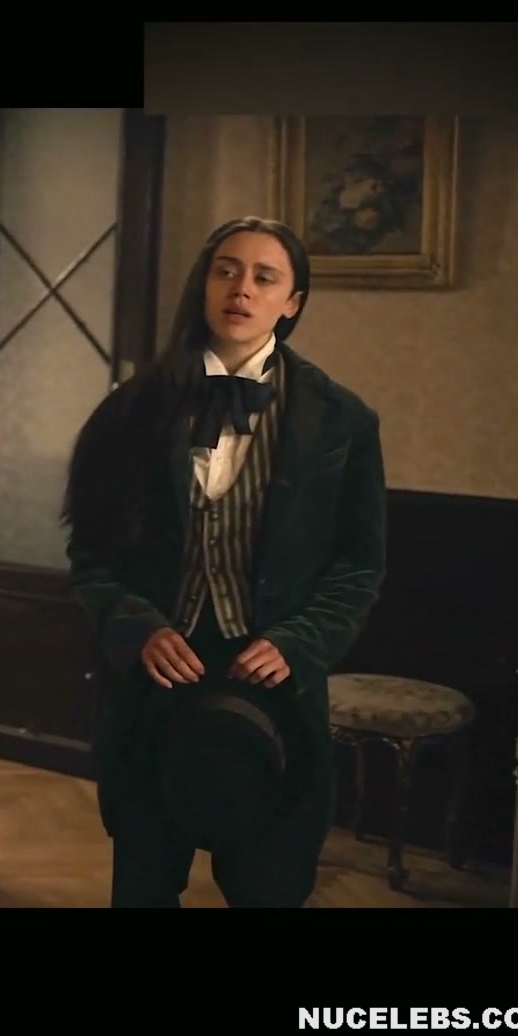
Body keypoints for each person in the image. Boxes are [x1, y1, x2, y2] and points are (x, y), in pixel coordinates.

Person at [61, 216, 387, 908]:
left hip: (274, 682)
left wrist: (299, 641)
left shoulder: (341, 420)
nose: (242, 289)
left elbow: (360, 565)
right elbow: (90, 553)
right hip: (157, 682)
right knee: (144, 886)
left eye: (265, 277)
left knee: (269, 886)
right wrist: (136, 626)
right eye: (226, 270)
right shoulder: (132, 410)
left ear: (292, 302)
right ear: (204, 285)